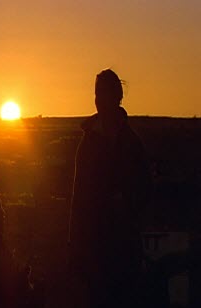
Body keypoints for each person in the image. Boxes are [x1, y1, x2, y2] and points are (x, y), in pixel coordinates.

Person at [68, 69, 150, 308]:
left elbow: (146, 189)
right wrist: (76, 247)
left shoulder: (131, 143)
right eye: (96, 94)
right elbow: (78, 198)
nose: (98, 100)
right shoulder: (88, 143)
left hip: (123, 248)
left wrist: (126, 202)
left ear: (117, 97)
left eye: (103, 93)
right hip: (93, 249)